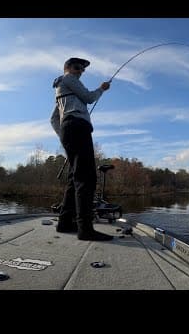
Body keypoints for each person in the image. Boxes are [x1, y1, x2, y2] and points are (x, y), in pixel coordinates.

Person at [50, 57, 113, 241]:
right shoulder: (68, 79)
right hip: (78, 128)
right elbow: (89, 97)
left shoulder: (62, 89)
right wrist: (102, 89)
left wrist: (63, 135)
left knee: (74, 178)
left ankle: (65, 223)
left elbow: (53, 119)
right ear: (67, 68)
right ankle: (85, 229)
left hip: (70, 131)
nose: (80, 72)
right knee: (86, 177)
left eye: (82, 70)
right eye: (77, 68)